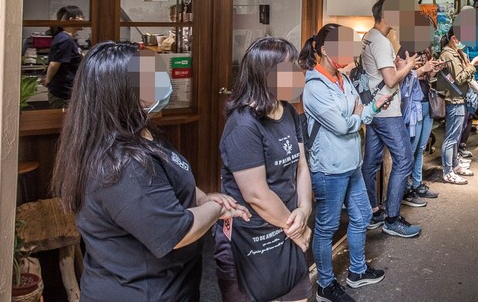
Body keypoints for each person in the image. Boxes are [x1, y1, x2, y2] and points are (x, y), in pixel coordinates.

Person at [51, 42, 249, 300]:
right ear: (121, 90)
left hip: (172, 284)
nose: (160, 81)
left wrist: (202, 198)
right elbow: (176, 232)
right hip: (142, 292)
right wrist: (217, 209)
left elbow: (172, 176)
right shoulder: (122, 165)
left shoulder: (141, 133)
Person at [215, 36, 312, 302]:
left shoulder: (289, 112)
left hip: (288, 226)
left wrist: (304, 210)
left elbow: (302, 166)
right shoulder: (243, 125)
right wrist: (297, 229)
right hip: (252, 236)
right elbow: (256, 194)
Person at [300, 24, 392, 302]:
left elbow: (359, 112)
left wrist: (369, 109)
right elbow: (342, 125)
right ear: (325, 50)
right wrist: (360, 114)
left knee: (362, 216)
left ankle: (357, 270)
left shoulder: (343, 79)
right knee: (327, 227)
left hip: (352, 164)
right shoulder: (314, 87)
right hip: (329, 168)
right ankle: (325, 285)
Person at [361, 0, 423, 238]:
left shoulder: (368, 37)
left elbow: (380, 74)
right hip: (387, 110)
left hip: (374, 109)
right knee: (404, 159)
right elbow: (389, 80)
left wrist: (399, 67)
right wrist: (409, 66)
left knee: (370, 162)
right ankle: (392, 218)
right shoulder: (381, 41)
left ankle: (372, 211)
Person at [398, 47, 441, 207]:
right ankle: (405, 189)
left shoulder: (426, 50)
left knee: (421, 147)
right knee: (411, 149)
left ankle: (417, 184)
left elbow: (426, 78)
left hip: (426, 101)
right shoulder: (405, 51)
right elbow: (400, 78)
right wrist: (423, 69)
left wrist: (433, 70)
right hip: (412, 105)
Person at [437, 28, 478, 184]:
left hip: (459, 99)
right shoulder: (448, 54)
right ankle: (448, 171)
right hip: (454, 100)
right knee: (451, 137)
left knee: (455, 136)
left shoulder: (457, 53)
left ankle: (455, 165)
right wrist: (472, 65)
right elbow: (460, 78)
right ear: (454, 38)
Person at [43, 5, 85, 109]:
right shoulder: (65, 39)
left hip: (69, 92)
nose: (84, 20)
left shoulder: (69, 39)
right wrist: (48, 80)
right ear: (71, 20)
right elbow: (54, 64)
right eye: (81, 17)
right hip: (63, 94)